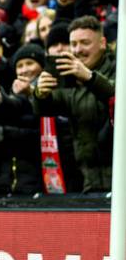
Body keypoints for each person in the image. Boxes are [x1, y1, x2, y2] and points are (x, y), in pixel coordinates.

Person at [33, 16, 115, 192]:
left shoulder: (119, 67)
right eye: (74, 44)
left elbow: (117, 98)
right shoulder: (69, 76)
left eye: (85, 43)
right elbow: (46, 110)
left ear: (102, 43)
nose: (78, 50)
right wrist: (41, 93)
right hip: (90, 182)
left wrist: (90, 78)